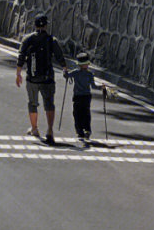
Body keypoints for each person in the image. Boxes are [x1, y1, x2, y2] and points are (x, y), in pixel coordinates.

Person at [15, 13, 67, 143]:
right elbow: (59, 56)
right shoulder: (51, 40)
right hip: (48, 77)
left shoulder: (28, 39)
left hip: (32, 78)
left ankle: (34, 128)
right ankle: (50, 130)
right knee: (49, 104)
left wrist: (18, 73)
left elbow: (21, 56)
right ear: (46, 26)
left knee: (32, 103)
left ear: (35, 25)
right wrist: (65, 68)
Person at [64, 51, 105, 142]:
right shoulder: (90, 74)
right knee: (86, 113)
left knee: (77, 114)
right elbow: (93, 86)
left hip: (78, 96)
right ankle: (87, 130)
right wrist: (101, 88)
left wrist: (65, 72)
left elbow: (66, 76)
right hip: (86, 97)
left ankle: (80, 131)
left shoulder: (75, 73)